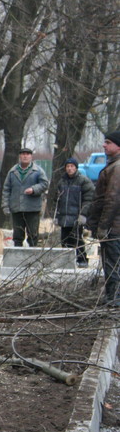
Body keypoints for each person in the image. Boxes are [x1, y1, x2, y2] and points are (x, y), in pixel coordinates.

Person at [86, 131, 120, 306]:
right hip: (113, 226)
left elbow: (112, 200)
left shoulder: (117, 167)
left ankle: (114, 299)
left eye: (108, 142)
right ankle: (112, 297)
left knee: (113, 264)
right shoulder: (112, 165)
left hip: (114, 228)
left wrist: (103, 227)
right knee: (112, 262)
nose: (104, 145)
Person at [1, 147, 49, 247]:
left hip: (32, 209)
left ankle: (33, 258)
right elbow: (6, 189)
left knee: (33, 235)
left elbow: (45, 184)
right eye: (23, 154)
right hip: (17, 208)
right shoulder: (12, 171)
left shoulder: (38, 171)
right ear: (20, 156)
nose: (25, 156)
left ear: (31, 156)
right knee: (17, 236)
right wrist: (5, 206)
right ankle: (18, 258)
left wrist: (34, 189)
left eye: (27, 154)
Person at [54, 157, 95, 267]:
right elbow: (57, 199)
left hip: (76, 217)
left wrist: (83, 214)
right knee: (64, 240)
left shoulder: (83, 181)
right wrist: (57, 215)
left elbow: (89, 199)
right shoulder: (61, 181)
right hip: (64, 216)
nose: (69, 169)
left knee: (77, 240)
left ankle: (82, 260)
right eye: (68, 166)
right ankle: (67, 261)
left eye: (72, 166)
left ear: (76, 168)